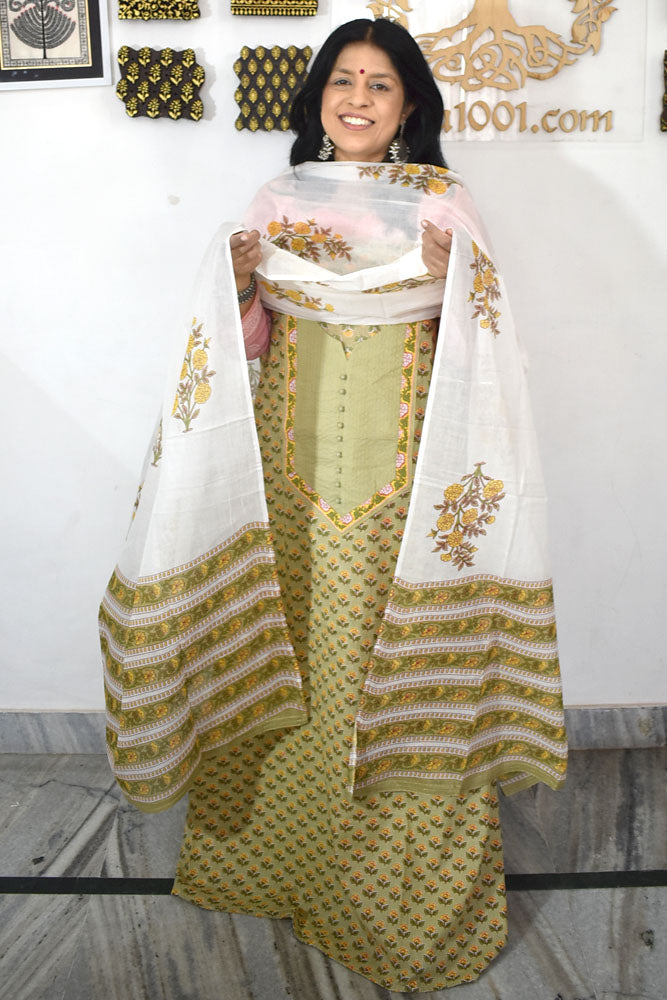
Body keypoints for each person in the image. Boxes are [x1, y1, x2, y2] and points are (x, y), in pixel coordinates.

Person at [100, 17, 567, 994]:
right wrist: (237, 290)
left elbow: (487, 353)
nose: (357, 98)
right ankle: (266, 867)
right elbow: (252, 343)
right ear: (317, 97)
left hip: (409, 486)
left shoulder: (442, 204)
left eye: (379, 83)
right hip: (285, 472)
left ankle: (391, 909)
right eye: (342, 80)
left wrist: (455, 279)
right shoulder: (279, 200)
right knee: (288, 650)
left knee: (380, 667)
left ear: (409, 105)